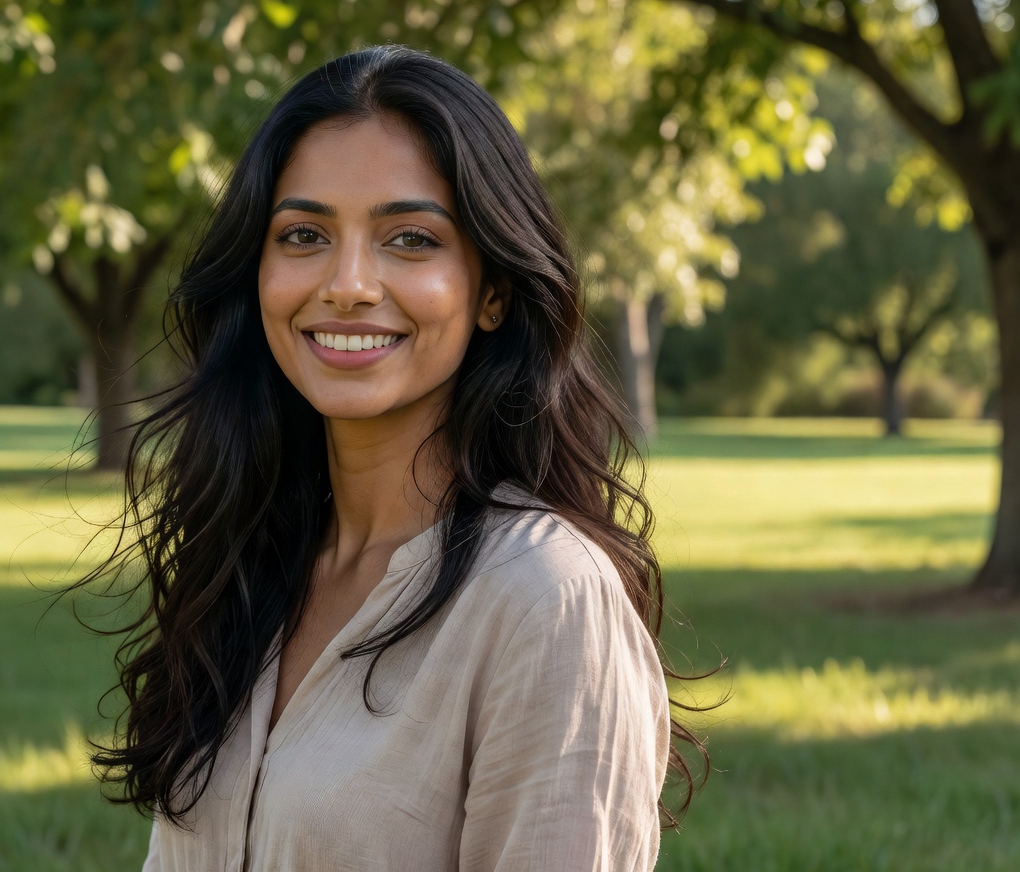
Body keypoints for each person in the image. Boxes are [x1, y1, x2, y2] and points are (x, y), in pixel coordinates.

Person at [84, 45, 704, 871]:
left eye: (409, 239)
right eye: (303, 234)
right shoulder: (254, 562)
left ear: (492, 292)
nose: (347, 284)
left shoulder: (546, 603)